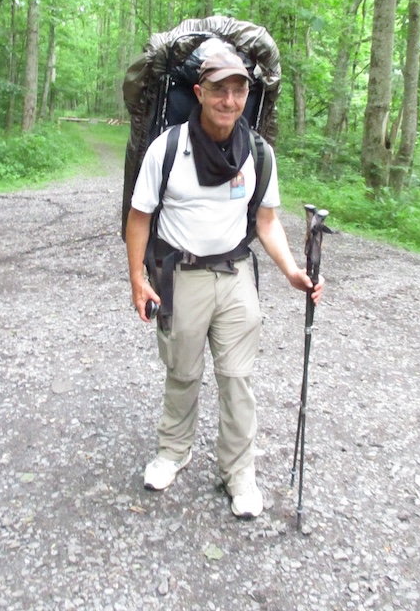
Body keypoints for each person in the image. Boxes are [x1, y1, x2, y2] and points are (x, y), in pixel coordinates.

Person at [125, 51, 324, 519]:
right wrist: (137, 278)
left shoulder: (257, 153)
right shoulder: (167, 148)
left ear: (247, 95)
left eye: (238, 90)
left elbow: (267, 222)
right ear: (199, 92)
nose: (228, 100)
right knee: (182, 371)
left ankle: (238, 473)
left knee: (237, 379)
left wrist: (292, 271)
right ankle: (173, 451)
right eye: (219, 89)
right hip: (180, 276)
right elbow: (139, 217)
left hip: (235, 277)